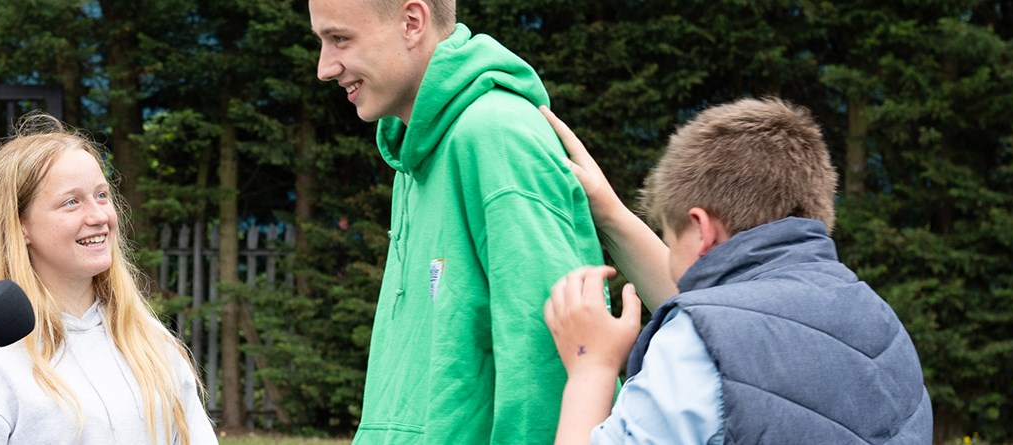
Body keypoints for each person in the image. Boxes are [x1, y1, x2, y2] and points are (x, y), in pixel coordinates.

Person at [539, 99, 933, 444]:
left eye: (670, 239)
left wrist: (591, 366)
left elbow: (716, 339)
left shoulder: (693, 347)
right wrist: (612, 215)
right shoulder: (879, 323)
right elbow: (743, 336)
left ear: (701, 228)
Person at [306, 0, 604, 443]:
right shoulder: (414, 149)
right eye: (322, 42)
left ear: (412, 22)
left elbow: (549, 366)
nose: (325, 68)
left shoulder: (495, 135)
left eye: (340, 39)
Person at [0, 113, 216, 444]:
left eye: (101, 196)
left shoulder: (151, 344)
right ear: (20, 226)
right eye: (72, 202)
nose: (99, 216)